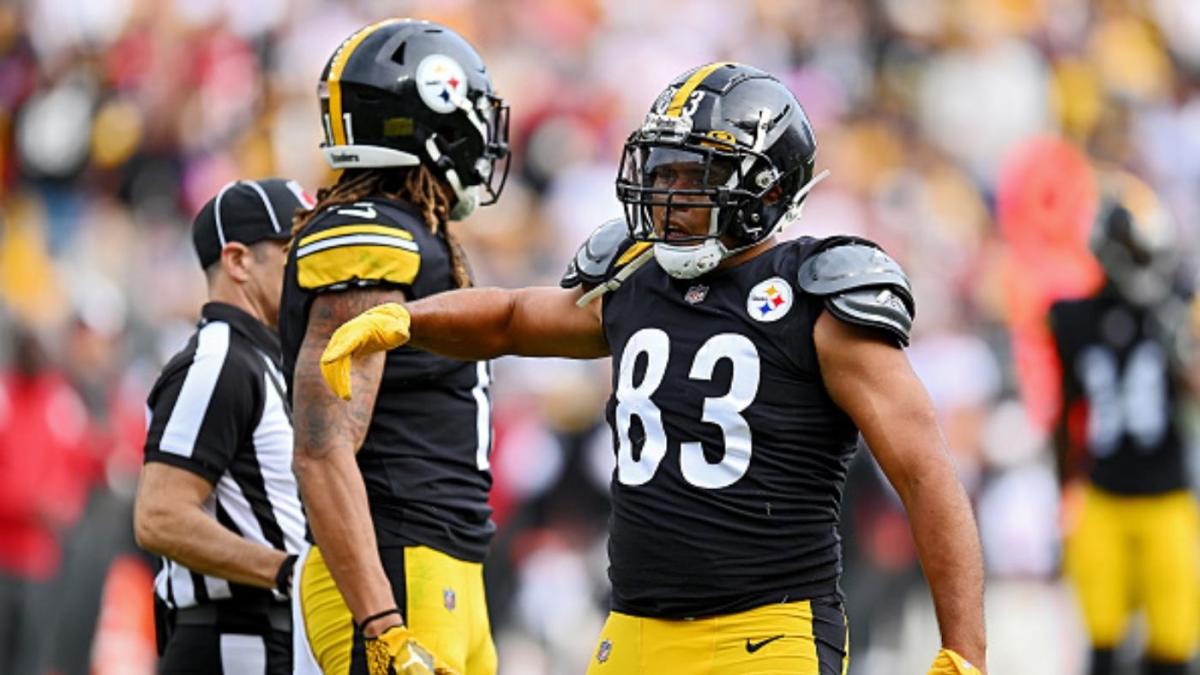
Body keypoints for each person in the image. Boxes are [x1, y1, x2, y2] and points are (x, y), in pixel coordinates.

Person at [320, 62, 987, 674]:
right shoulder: (638, 279)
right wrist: (412, 320)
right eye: (660, 171)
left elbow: (924, 473)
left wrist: (964, 649)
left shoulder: (817, 298)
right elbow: (513, 318)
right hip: (632, 631)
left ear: (763, 186)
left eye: (689, 176)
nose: (664, 194)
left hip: (765, 634)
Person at [279, 18, 510, 675]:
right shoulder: (371, 234)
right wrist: (381, 622)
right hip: (394, 569)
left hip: (444, 566)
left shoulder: (410, 232)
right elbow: (323, 448)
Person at [134, 178, 311, 674]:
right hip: (236, 637)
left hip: (269, 633)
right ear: (237, 261)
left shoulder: (263, 361)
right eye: (291, 250)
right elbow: (159, 516)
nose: (310, 269)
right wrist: (288, 572)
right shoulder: (219, 362)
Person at [1051, 171, 1197, 675]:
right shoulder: (1072, 318)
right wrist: (1062, 488)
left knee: (1173, 647)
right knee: (1104, 647)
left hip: (1168, 497)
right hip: (1104, 497)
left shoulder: (1177, 307)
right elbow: (1065, 411)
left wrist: (1184, 353)